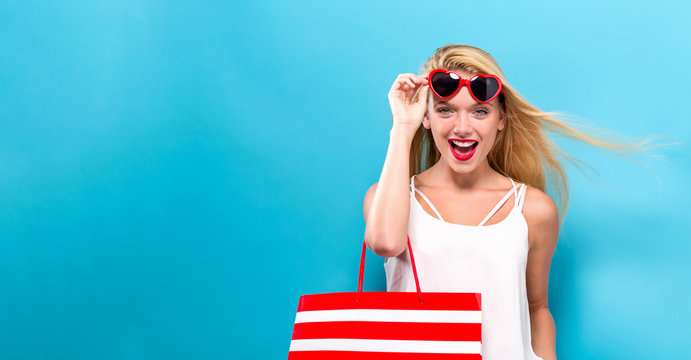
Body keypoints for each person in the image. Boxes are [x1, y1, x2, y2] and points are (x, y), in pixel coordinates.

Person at [362, 44, 667, 360]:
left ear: (501, 119)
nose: (462, 128)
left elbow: (537, 307)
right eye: (445, 110)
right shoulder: (390, 199)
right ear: (426, 117)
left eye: (480, 111)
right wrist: (402, 125)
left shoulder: (532, 209)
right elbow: (385, 243)